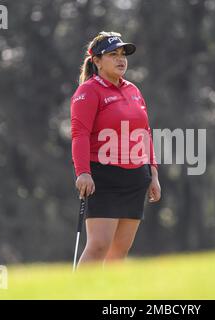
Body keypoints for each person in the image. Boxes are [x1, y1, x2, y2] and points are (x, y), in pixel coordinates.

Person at [71, 31, 161, 266]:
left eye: (123, 54)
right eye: (113, 54)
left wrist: (153, 173)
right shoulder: (88, 91)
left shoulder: (133, 90)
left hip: (135, 177)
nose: (121, 59)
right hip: (103, 176)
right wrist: (83, 172)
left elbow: (145, 133)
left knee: (119, 251)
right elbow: (79, 134)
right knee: (99, 245)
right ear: (97, 61)